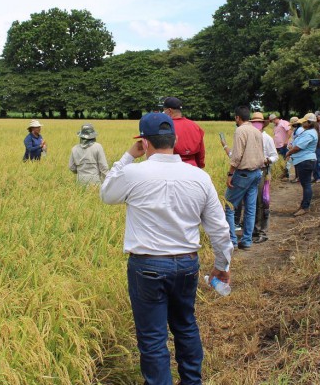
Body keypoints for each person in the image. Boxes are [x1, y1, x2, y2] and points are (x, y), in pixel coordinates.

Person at [100, 112, 233, 385]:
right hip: (186, 264)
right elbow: (219, 229)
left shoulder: (133, 173)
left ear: (144, 143)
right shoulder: (199, 177)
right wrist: (222, 265)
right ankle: (192, 381)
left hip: (147, 266)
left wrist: (127, 156)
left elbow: (106, 193)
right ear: (174, 140)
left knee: (152, 338)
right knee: (185, 326)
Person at [224, 106, 264, 250]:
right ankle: (246, 241)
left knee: (229, 206)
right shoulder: (257, 131)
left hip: (243, 174)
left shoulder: (240, 130)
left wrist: (230, 174)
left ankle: (233, 241)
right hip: (256, 173)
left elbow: (236, 156)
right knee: (250, 208)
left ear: (237, 118)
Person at [250, 112, 278, 243]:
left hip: (262, 171)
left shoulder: (267, 138)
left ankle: (263, 231)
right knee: (252, 202)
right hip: (250, 171)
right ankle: (254, 228)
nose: (257, 125)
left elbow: (275, 156)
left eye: (259, 122)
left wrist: (267, 160)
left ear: (262, 124)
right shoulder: (249, 137)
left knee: (263, 202)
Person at [285, 113, 319, 216]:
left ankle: (305, 207)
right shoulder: (309, 132)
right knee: (305, 184)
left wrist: (289, 152)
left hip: (305, 160)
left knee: (306, 184)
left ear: (309, 122)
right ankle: (304, 205)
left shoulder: (309, 134)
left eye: (304, 121)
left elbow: (299, 147)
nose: (302, 123)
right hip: (304, 160)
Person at [162, 96, 206, 168]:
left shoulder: (166, 126)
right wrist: (199, 167)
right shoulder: (195, 126)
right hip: (193, 167)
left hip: (172, 167)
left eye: (164, 110)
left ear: (169, 111)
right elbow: (201, 152)